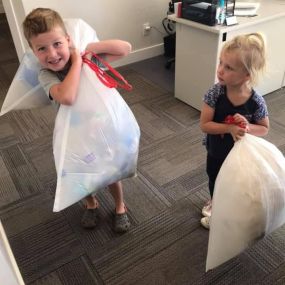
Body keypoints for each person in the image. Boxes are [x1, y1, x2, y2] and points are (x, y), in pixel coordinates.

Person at [22, 8, 132, 233]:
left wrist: (87, 49)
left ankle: (120, 205)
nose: (52, 54)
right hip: (74, 135)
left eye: (57, 44)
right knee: (83, 172)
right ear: (33, 52)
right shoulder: (46, 75)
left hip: (100, 130)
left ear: (68, 40)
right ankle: (91, 202)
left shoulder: (87, 57)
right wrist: (78, 63)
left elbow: (125, 48)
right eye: (41, 49)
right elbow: (67, 96)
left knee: (110, 171)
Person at [200, 33, 269, 229]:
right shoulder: (215, 93)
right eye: (220, 63)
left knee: (236, 183)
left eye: (228, 67)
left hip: (241, 156)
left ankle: (231, 207)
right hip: (216, 151)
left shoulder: (256, 101)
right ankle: (215, 202)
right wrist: (229, 127)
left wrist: (246, 127)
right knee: (214, 177)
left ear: (247, 74)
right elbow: (204, 125)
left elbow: (264, 128)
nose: (220, 70)